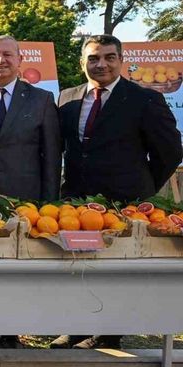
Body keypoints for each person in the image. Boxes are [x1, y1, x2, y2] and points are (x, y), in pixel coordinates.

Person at [51, 34, 182, 351]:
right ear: (82, 63)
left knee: (115, 269)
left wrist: (141, 186)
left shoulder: (144, 99)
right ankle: (76, 327)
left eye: (109, 57)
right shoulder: (67, 98)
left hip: (125, 203)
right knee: (77, 265)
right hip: (76, 201)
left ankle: (108, 334)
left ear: (121, 61)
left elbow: (170, 151)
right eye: (93, 58)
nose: (102, 64)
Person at [0, 35, 61, 202]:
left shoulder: (42, 100)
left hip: (25, 200)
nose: (1, 60)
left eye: (7, 54)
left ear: (19, 59)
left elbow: (52, 156)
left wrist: (49, 202)